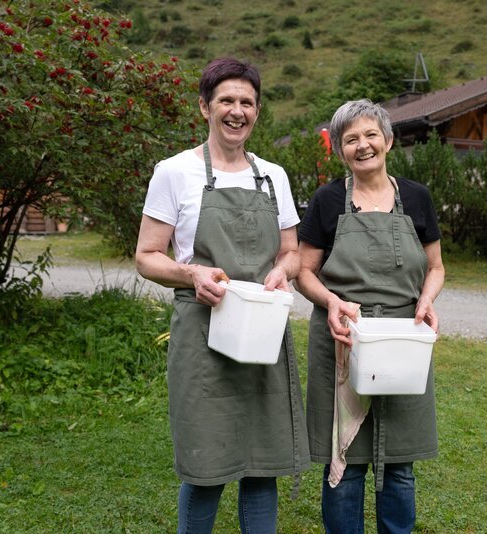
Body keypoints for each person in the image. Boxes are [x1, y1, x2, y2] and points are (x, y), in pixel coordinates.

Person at [135, 57, 309, 534]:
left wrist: (282, 271)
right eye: (226, 100)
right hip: (202, 335)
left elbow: (292, 252)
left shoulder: (273, 176)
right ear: (204, 107)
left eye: (247, 102)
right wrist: (191, 274)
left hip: (262, 334)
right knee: (205, 466)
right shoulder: (174, 172)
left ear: (258, 111)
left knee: (263, 464)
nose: (237, 111)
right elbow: (147, 256)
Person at [296, 99, 445, 533]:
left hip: (402, 340)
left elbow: (436, 267)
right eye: (350, 139)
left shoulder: (417, 198)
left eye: (370, 135)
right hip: (344, 337)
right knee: (345, 463)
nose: (362, 146)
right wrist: (331, 303)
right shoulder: (327, 201)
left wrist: (426, 300)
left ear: (388, 141)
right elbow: (303, 272)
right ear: (339, 150)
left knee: (399, 464)